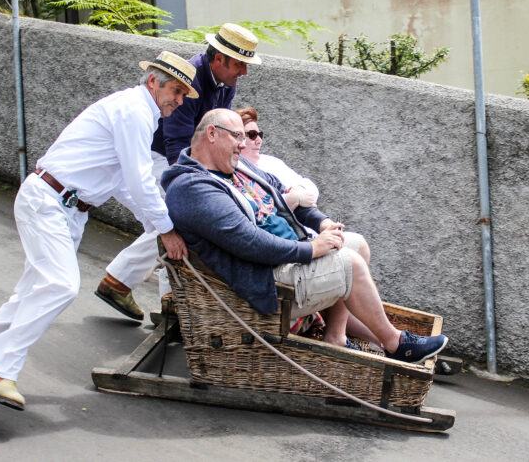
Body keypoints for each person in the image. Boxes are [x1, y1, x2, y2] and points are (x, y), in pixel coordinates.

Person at [0, 51, 197, 411]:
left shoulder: (139, 113)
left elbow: (124, 185)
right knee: (60, 285)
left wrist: (153, 227)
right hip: (49, 200)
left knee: (33, 292)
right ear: (152, 82)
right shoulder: (134, 111)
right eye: (175, 90)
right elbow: (140, 180)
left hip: (66, 209)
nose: (178, 101)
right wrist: (166, 230)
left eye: (183, 95)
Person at [161, 108, 448, 363]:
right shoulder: (193, 188)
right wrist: (312, 250)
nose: (243, 144)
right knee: (351, 263)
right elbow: (249, 243)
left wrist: (322, 225)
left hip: (286, 255)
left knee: (357, 245)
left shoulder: (238, 167)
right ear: (212, 134)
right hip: (264, 280)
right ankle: (395, 344)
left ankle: (335, 337)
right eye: (238, 136)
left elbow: (286, 199)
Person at [95, 23, 262, 320]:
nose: (244, 72)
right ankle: (163, 299)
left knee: (175, 220)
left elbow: (218, 130)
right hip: (158, 154)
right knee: (178, 217)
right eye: (240, 64)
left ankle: (129, 286)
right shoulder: (192, 78)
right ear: (219, 58)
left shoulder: (227, 84)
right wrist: (188, 185)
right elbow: (176, 140)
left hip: (185, 155)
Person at [235, 106, 380, 348]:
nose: (257, 139)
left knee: (354, 249)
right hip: (287, 255)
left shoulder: (270, 164)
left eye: (260, 134)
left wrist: (312, 212)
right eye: (250, 135)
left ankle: (367, 339)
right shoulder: (238, 174)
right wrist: (291, 199)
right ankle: (388, 342)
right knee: (349, 268)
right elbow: (265, 214)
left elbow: (310, 190)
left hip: (306, 238)